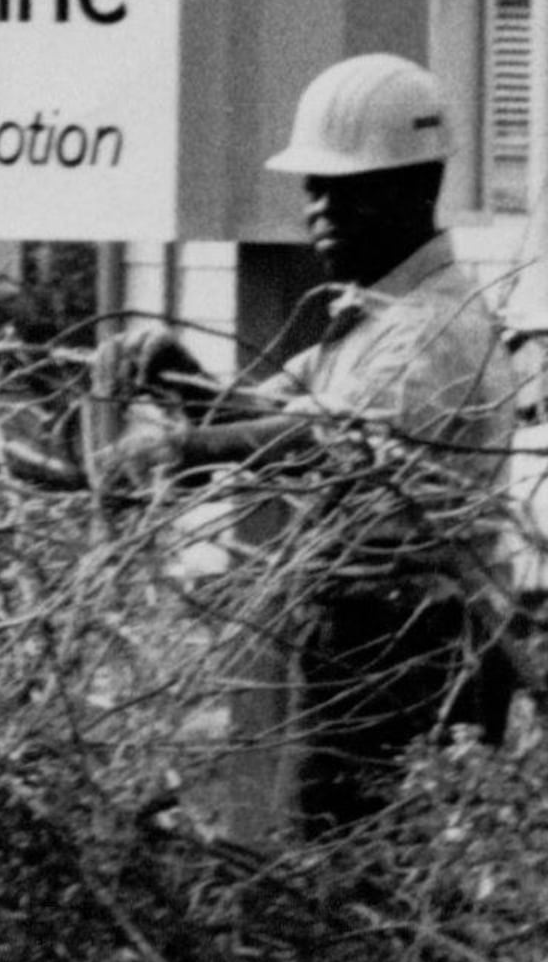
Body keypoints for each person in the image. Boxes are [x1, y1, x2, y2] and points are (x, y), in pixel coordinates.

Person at [106, 53, 519, 836]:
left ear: (412, 190)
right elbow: (274, 414)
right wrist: (180, 378)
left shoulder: (433, 328)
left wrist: (183, 451)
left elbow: (334, 441)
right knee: (346, 872)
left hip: (419, 644)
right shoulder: (371, 318)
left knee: (369, 884)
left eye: (343, 190)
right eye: (312, 189)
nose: (317, 210)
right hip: (368, 632)